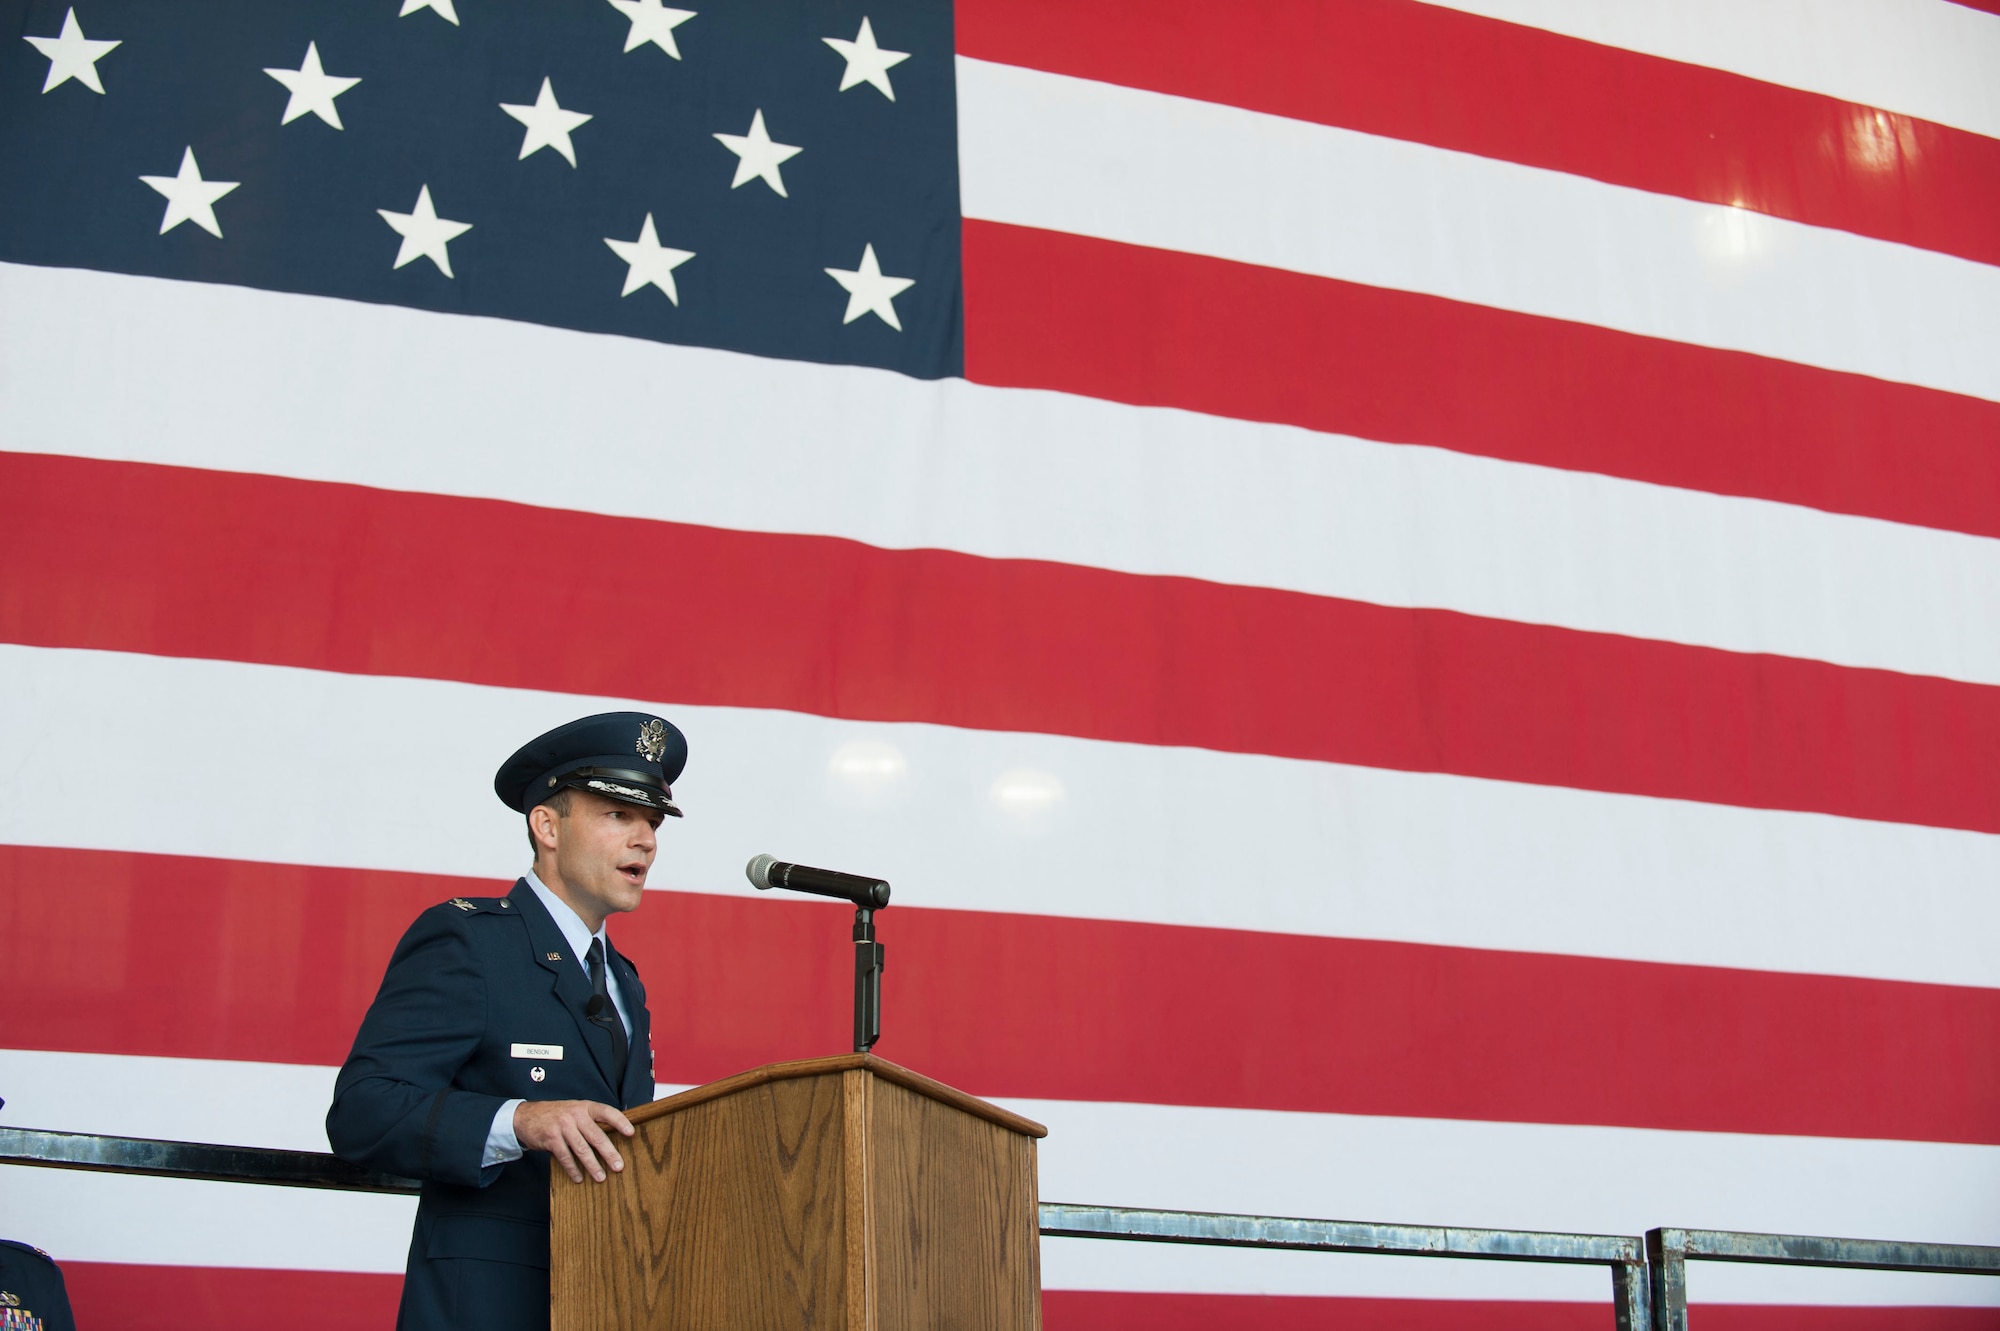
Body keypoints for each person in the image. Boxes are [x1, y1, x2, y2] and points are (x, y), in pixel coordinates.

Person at [328, 712, 686, 1331]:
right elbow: (364, 1112)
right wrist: (520, 1120)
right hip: (490, 1303)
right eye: (618, 815)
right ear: (546, 825)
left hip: (605, 1299)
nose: (646, 840)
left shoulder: (623, 979)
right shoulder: (468, 940)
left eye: (652, 822)